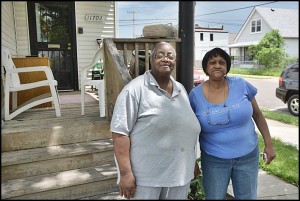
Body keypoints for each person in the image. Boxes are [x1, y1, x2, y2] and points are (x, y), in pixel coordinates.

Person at [110, 41, 201, 200]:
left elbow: (183, 127)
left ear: (175, 61)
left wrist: (191, 161)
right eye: (160, 55)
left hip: (179, 175)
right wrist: (125, 173)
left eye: (170, 56)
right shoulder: (135, 89)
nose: (165, 59)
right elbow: (120, 133)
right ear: (150, 60)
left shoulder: (180, 89)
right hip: (147, 179)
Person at [189, 48, 276, 200]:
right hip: (214, 158)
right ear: (206, 67)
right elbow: (190, 129)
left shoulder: (241, 84)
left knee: (247, 197)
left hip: (248, 155)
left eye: (222, 62)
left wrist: (268, 143)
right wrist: (191, 159)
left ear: (227, 66)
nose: (217, 66)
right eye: (212, 62)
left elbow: (257, 114)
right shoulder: (195, 95)